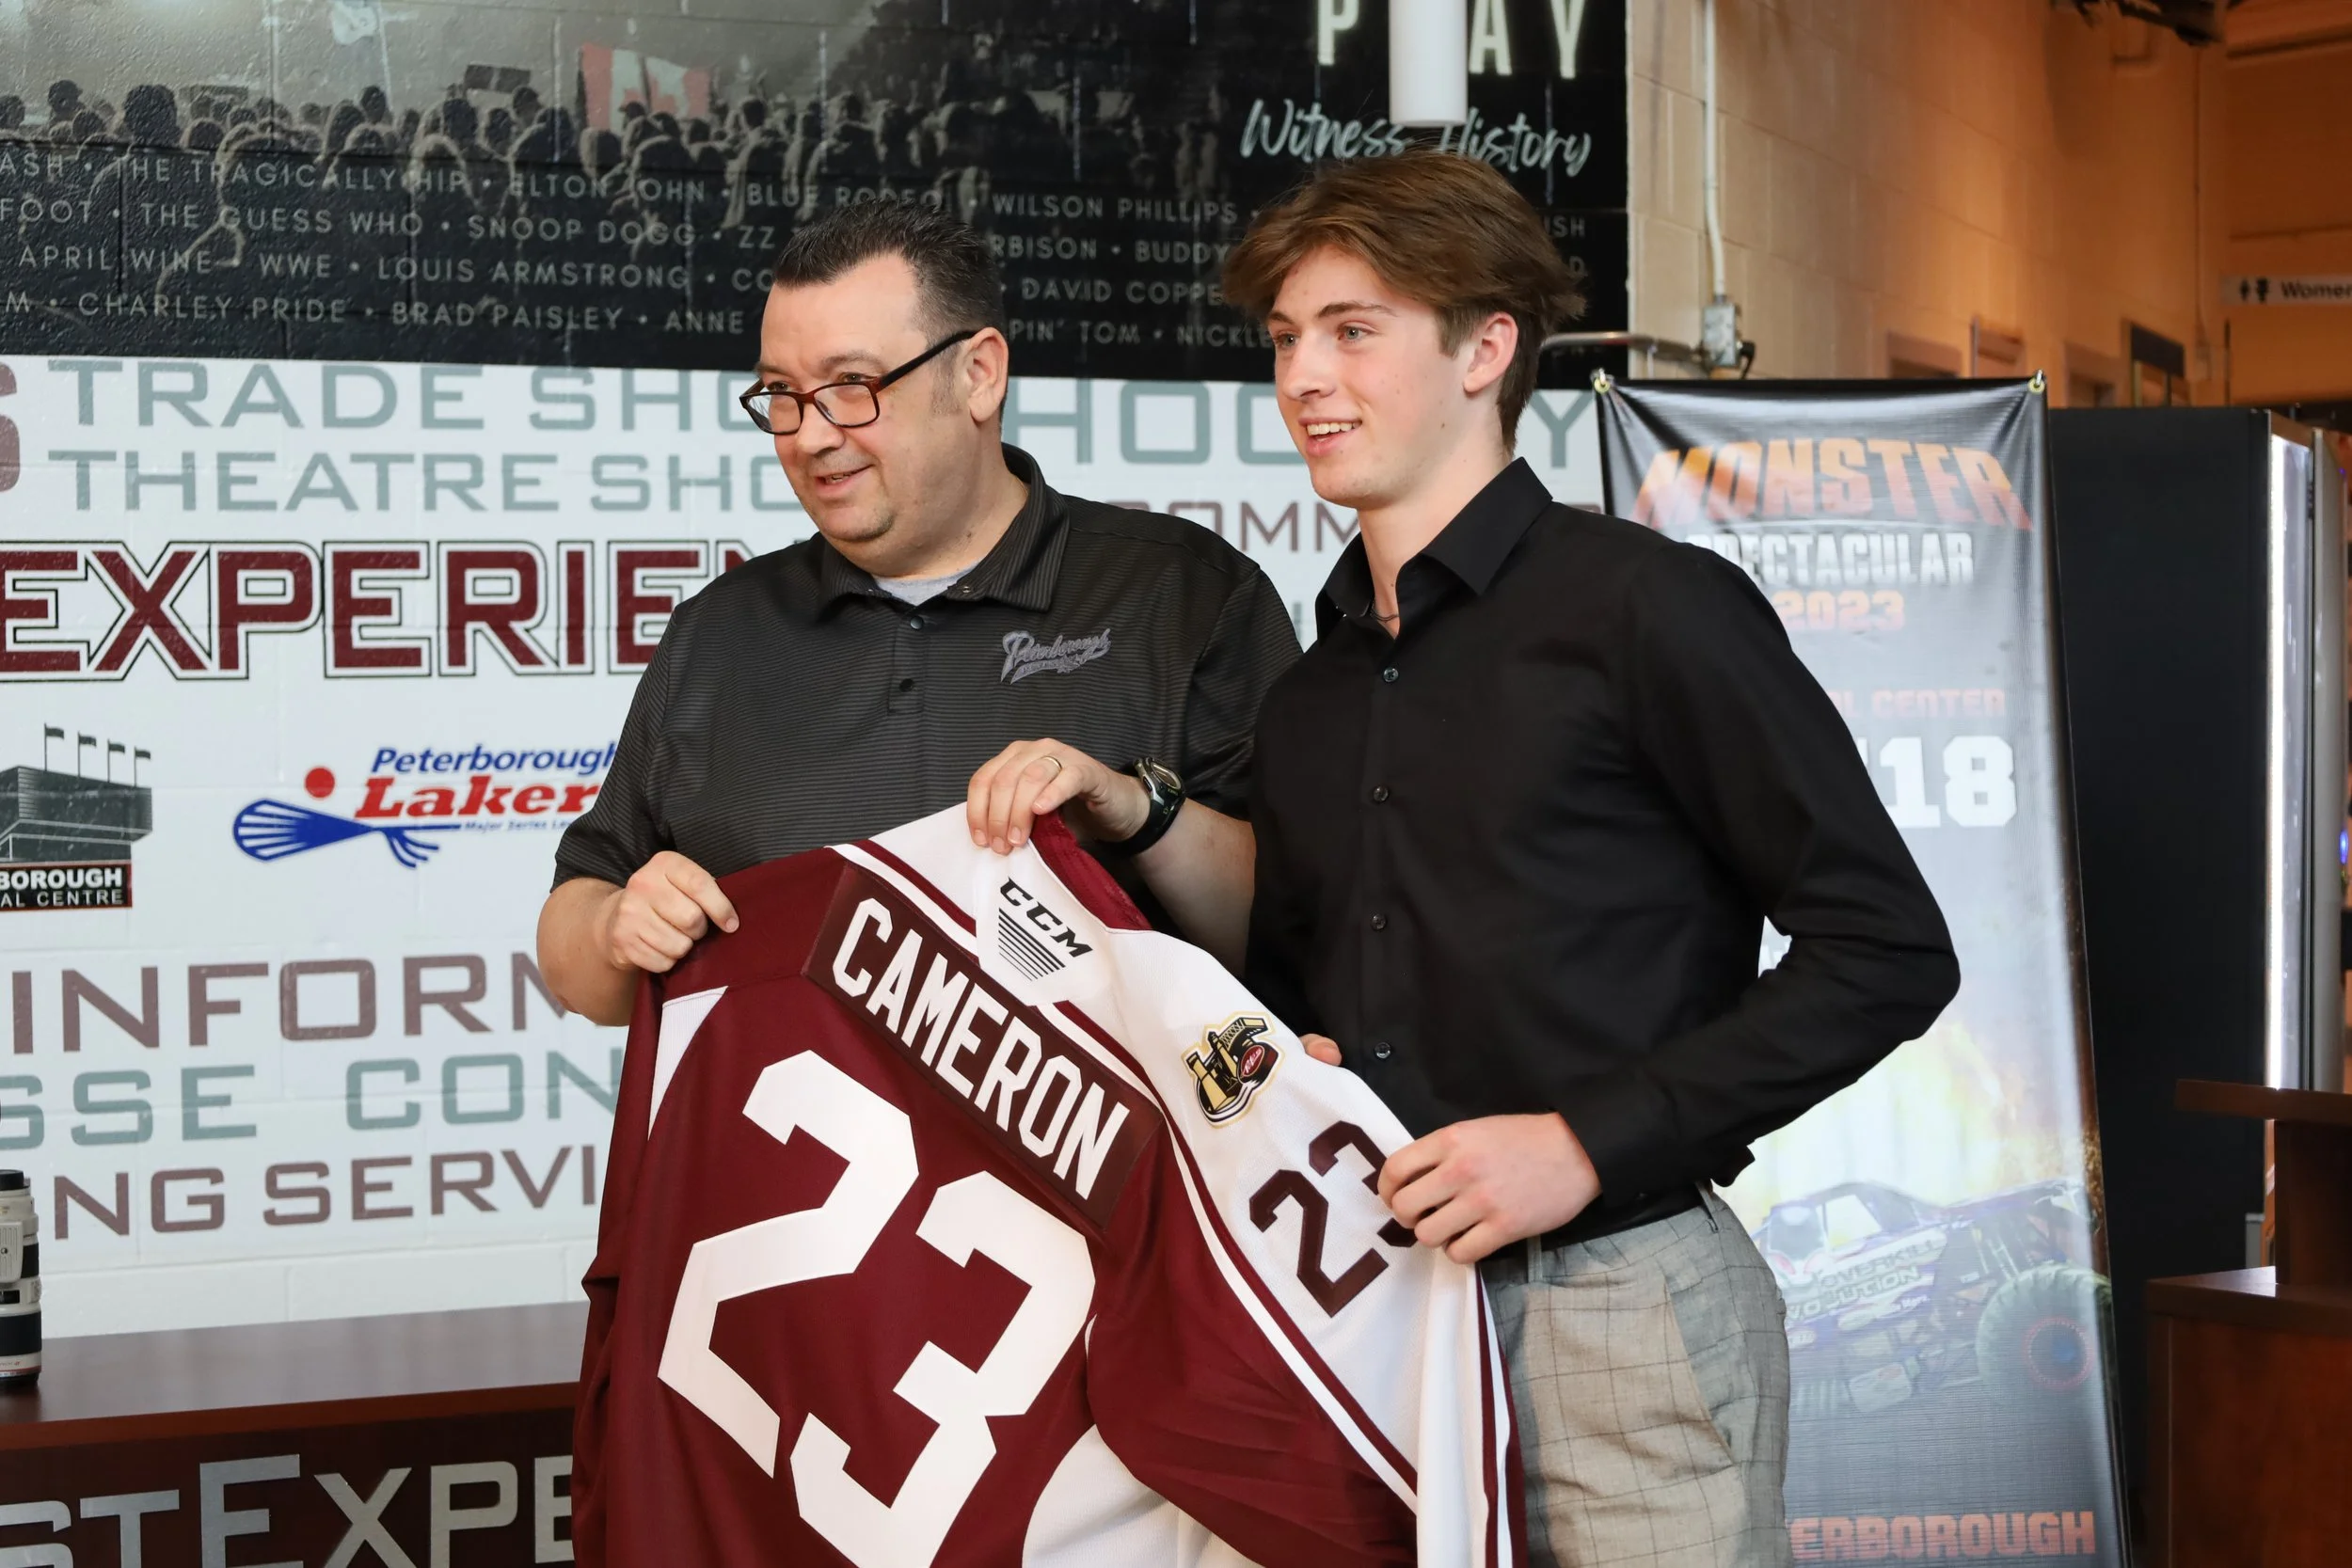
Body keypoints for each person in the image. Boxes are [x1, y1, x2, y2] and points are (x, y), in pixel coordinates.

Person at [971, 148, 1958, 1567]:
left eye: (1352, 330)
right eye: (1285, 339)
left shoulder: (1649, 610)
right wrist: (1145, 829)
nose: (1304, 377)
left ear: (1486, 349)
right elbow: (1296, 978)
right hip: (1360, 1312)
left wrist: (1581, 1142)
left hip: (1613, 1312)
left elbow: (1889, 949)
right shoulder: (1310, 693)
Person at [539, 199, 1295, 1024]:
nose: (810, 436)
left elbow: (1296, 930)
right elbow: (577, 947)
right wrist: (614, 929)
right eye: (783, 394)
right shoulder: (716, 633)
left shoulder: (1186, 596)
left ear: (978, 374)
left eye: (851, 387)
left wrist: (1140, 812)